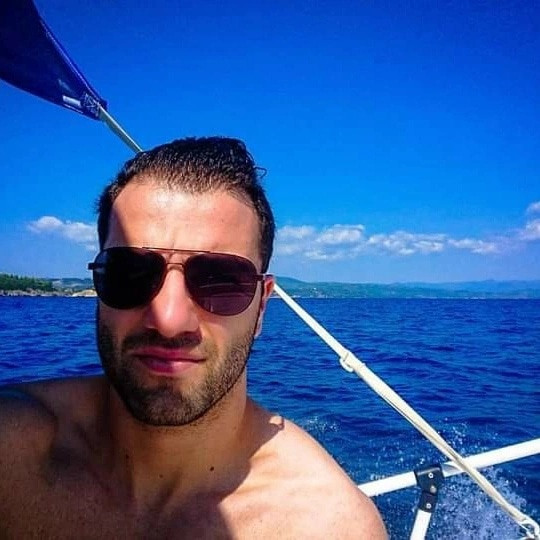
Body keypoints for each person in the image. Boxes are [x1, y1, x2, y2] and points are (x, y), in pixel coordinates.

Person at [0, 137, 387, 538]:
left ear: (261, 307)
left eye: (220, 280)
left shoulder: (327, 527)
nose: (169, 320)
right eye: (130, 273)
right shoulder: (12, 453)